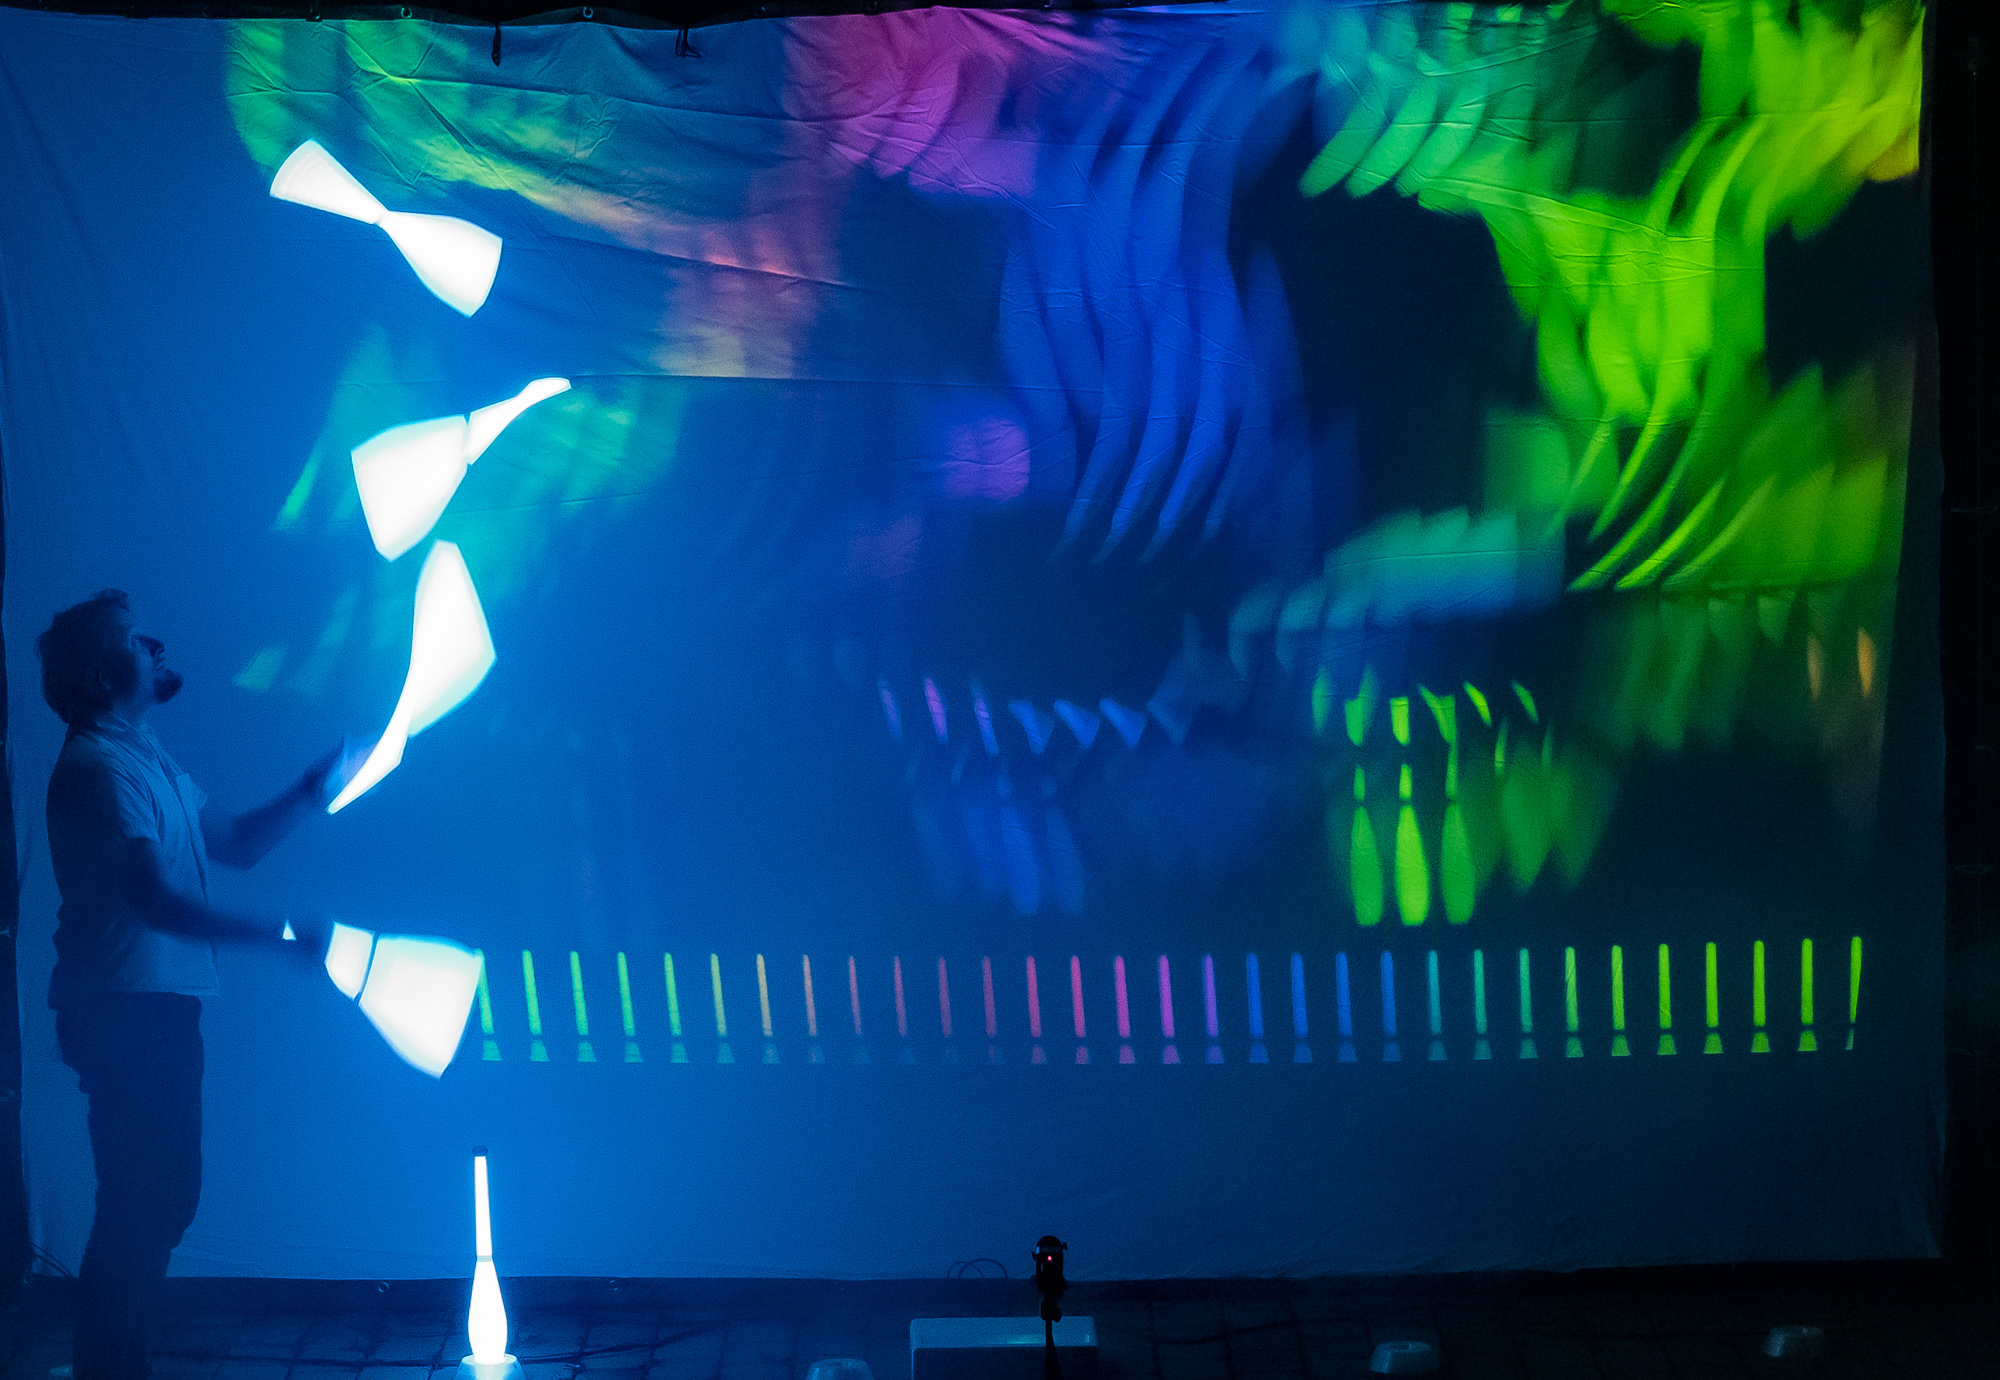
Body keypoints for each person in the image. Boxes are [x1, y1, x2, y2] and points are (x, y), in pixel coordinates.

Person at [35, 589, 339, 1380]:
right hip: (125, 1016)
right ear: (102, 676)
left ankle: (113, 1366)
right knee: (142, 1205)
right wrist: (278, 937)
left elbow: (234, 842)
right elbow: (156, 901)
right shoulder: (100, 770)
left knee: (159, 1202)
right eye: (137, 640)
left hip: (151, 1012)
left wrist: (310, 790)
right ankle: (109, 1371)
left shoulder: (145, 755)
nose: (156, 646)